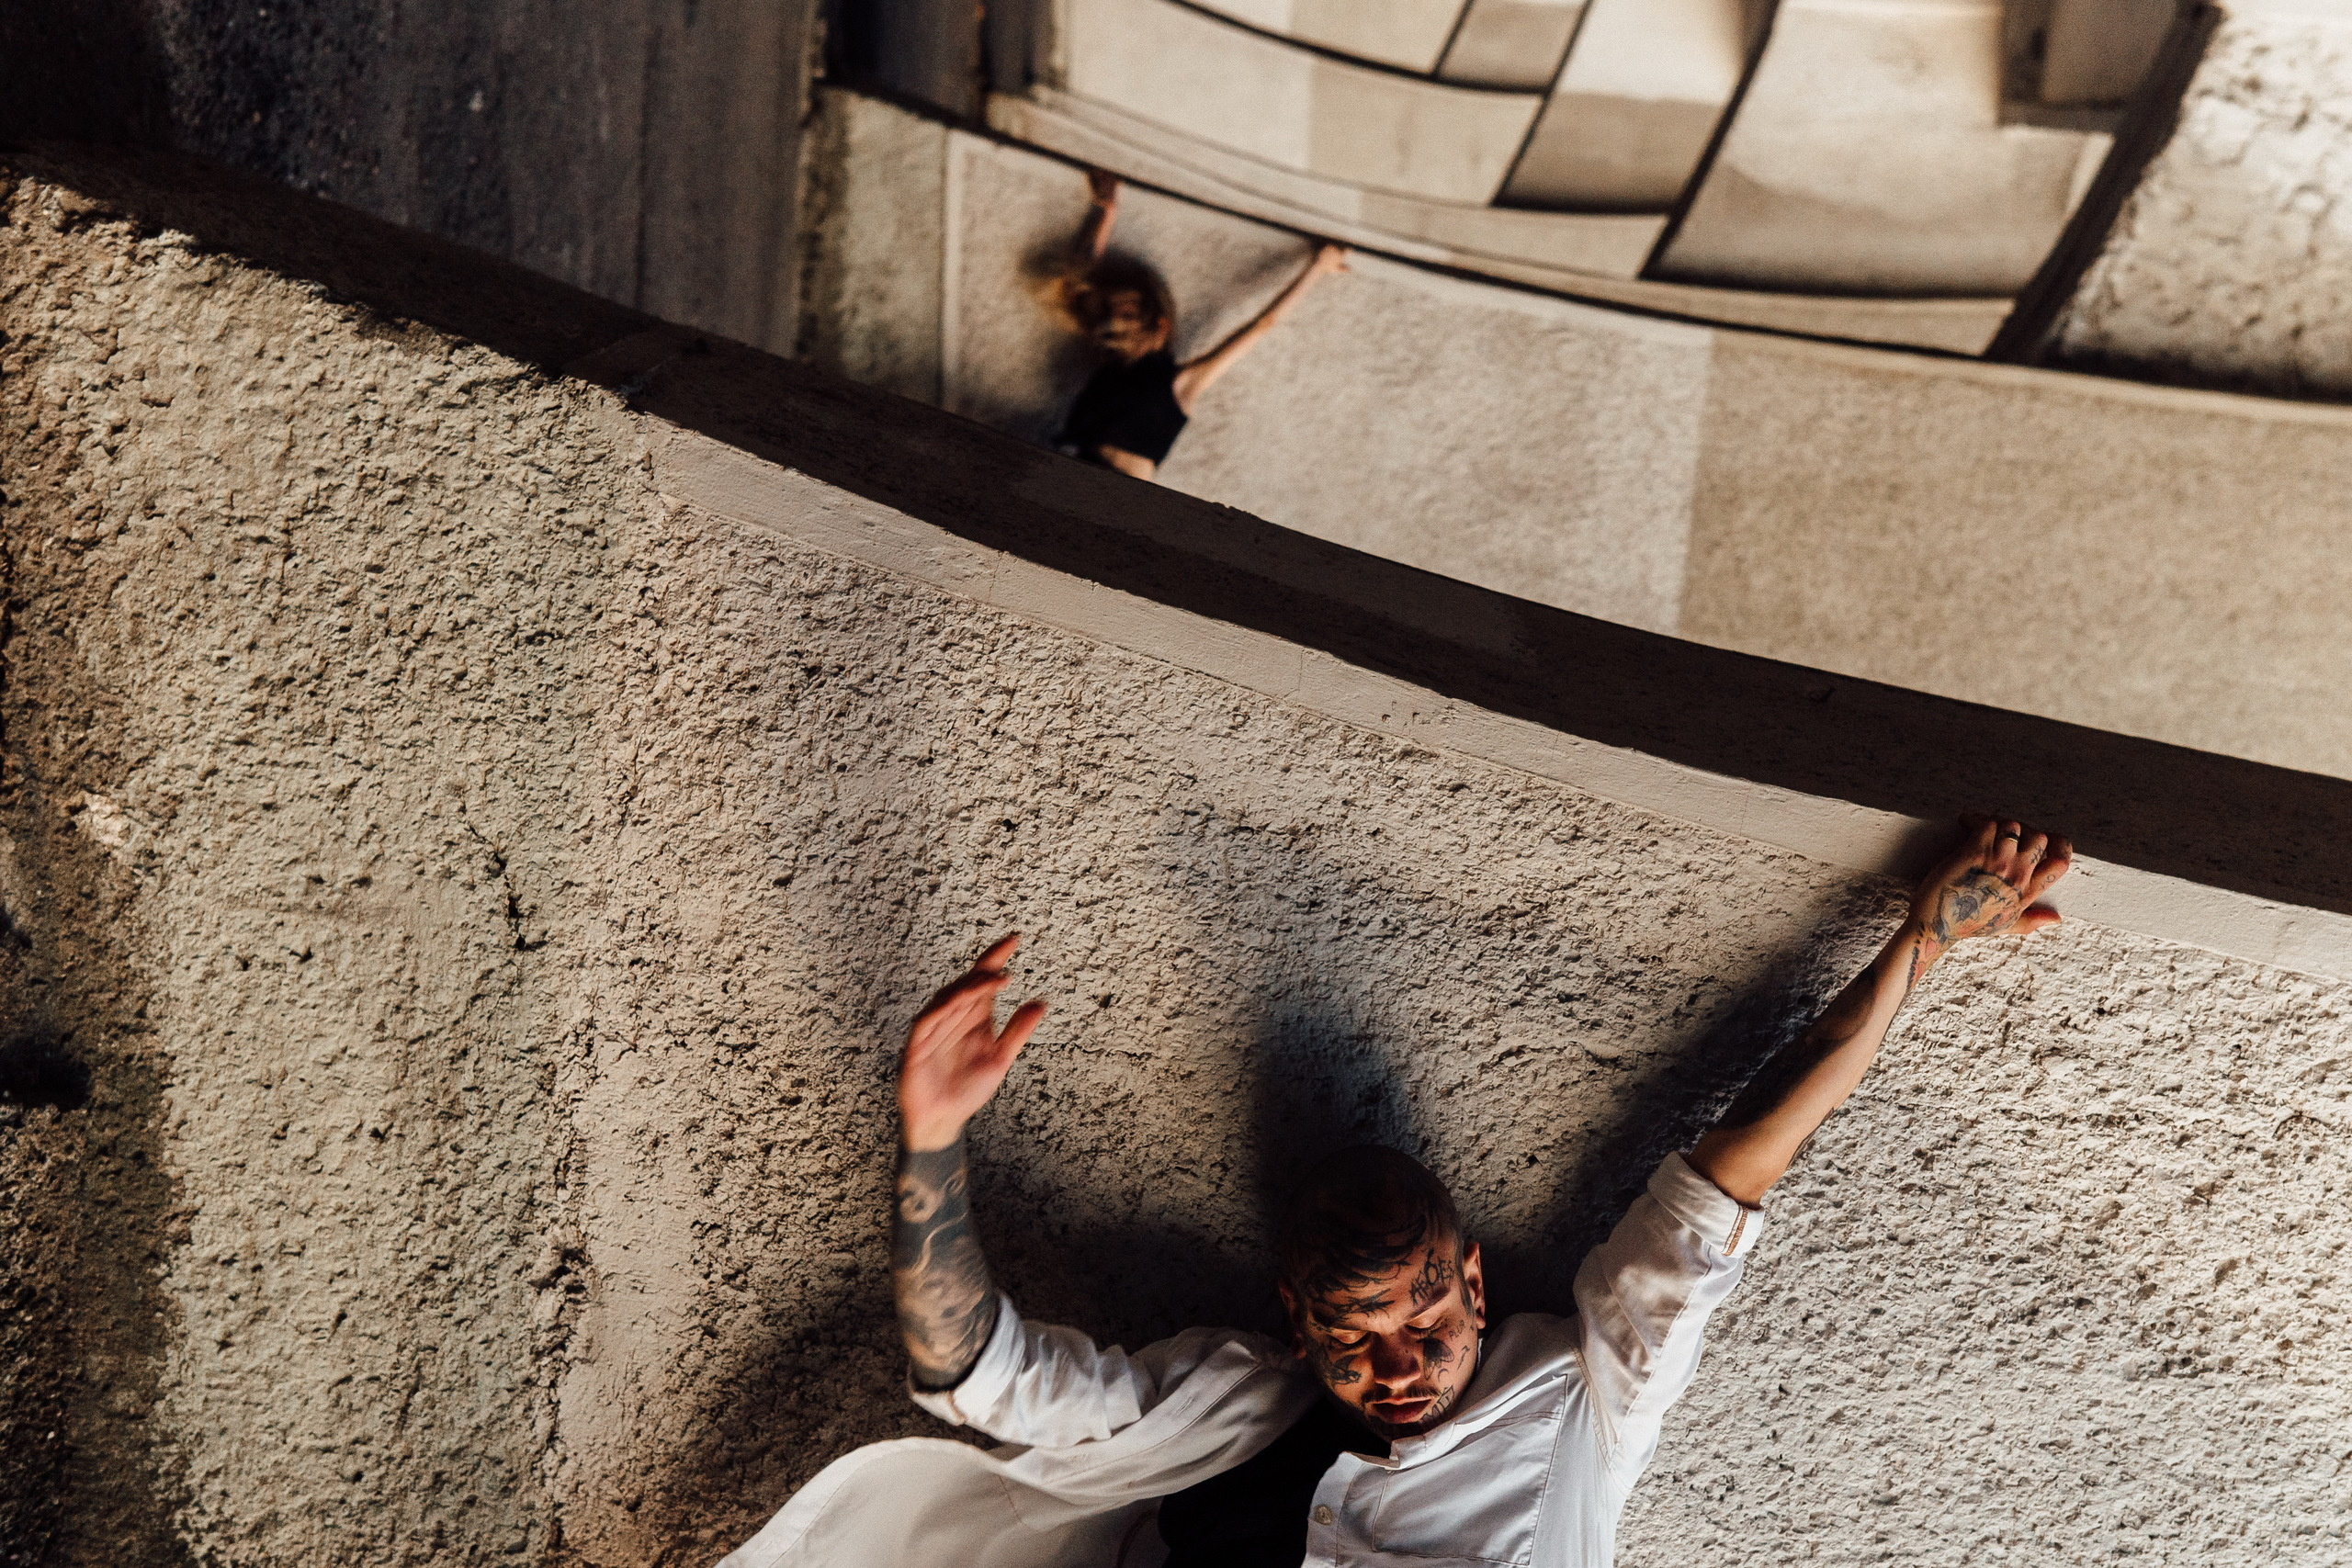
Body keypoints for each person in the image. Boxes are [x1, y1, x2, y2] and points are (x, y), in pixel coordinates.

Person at [716, 817, 2072, 1567]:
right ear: (1297, 1322)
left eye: (1425, 1315)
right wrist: (932, 1144)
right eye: (1355, 1337)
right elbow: (978, 1379)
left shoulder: (1580, 1399)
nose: (1402, 1362)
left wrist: (1915, 949)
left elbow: (1727, 1176)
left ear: (1475, 1278)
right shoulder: (1238, 1404)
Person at [1048, 169, 1348, 479]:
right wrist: (1106, 208)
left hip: (1107, 492)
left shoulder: (1180, 385)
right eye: (1121, 318)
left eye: (1128, 319)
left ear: (1161, 327)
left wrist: (1317, 268)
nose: (1117, 326)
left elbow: (1262, 324)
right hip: (1079, 478)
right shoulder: (1113, 367)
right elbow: (1079, 285)